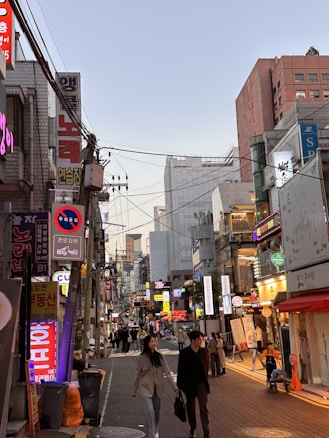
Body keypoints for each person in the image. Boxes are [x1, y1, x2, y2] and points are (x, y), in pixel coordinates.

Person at [132, 335, 179, 438]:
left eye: (155, 341)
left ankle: (155, 427)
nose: (154, 343)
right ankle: (151, 434)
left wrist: (175, 387)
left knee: (156, 411)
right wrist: (134, 391)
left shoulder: (160, 356)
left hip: (158, 388)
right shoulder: (141, 358)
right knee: (150, 410)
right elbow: (137, 374)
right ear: (147, 343)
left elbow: (167, 373)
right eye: (152, 341)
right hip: (146, 388)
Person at [177, 330, 210, 438]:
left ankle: (206, 431)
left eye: (201, 339)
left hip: (201, 384)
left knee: (203, 408)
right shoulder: (184, 353)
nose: (201, 341)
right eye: (199, 339)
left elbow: (206, 366)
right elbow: (180, 370)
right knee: (190, 408)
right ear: (193, 340)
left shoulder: (204, 352)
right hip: (189, 385)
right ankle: (193, 428)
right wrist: (179, 386)